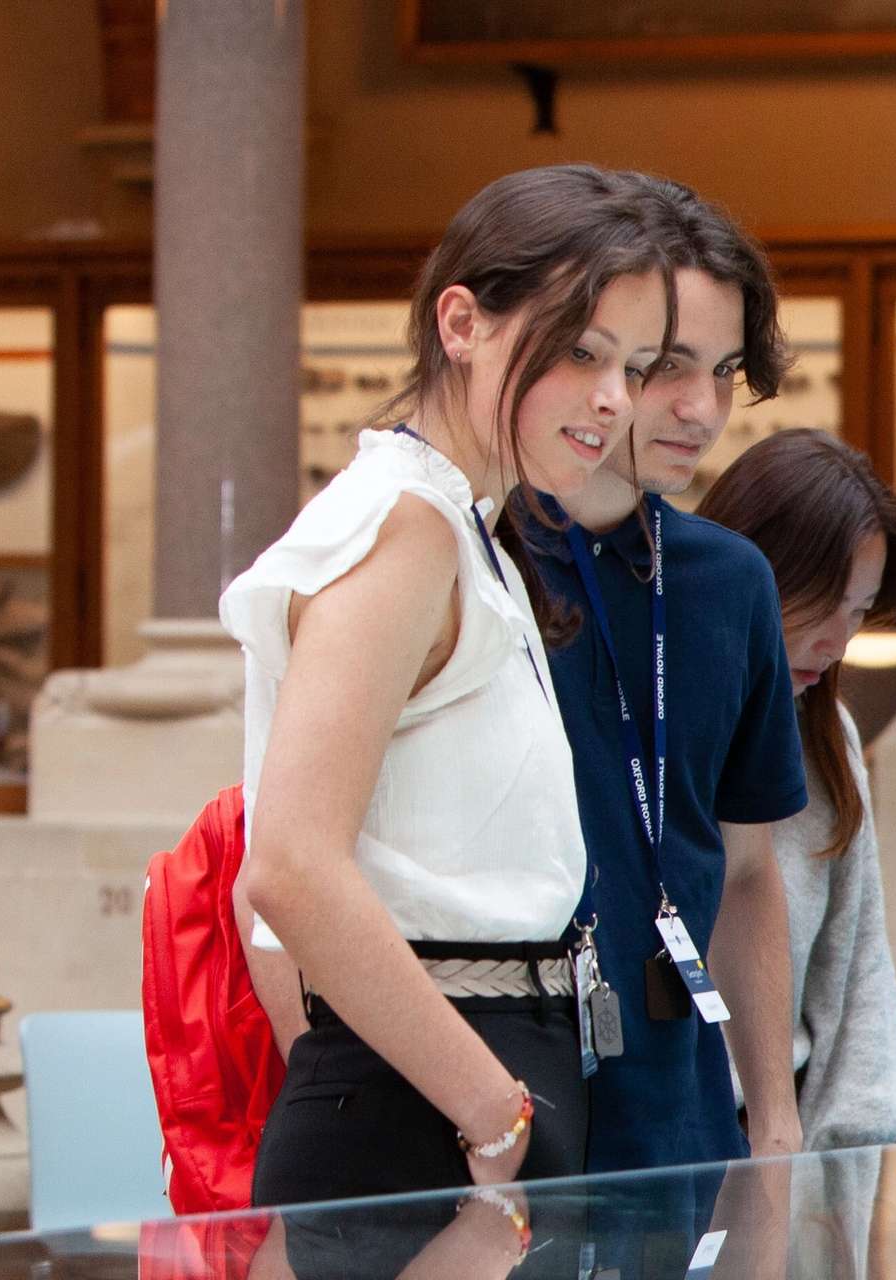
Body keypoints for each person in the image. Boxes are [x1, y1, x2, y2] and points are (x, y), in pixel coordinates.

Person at [226, 166, 674, 1212]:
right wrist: (490, 1110)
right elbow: (287, 867)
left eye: (634, 366)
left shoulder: (458, 525)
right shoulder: (406, 525)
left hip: (448, 1076)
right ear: (462, 322)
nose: (615, 398)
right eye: (581, 350)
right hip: (430, 1094)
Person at [515, 173, 815, 1175]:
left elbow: (747, 869)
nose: (702, 408)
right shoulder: (474, 561)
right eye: (665, 366)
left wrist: (774, 1126)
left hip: (683, 1120)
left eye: (725, 372)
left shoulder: (729, 581)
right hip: (505, 1116)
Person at [692, 428, 896, 1150]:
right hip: (655, 1140)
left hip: (783, 1144)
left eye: (859, 610)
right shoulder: (647, 718)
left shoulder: (826, 736)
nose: (838, 640)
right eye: (822, 603)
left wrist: (845, 1162)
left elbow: (859, 979)